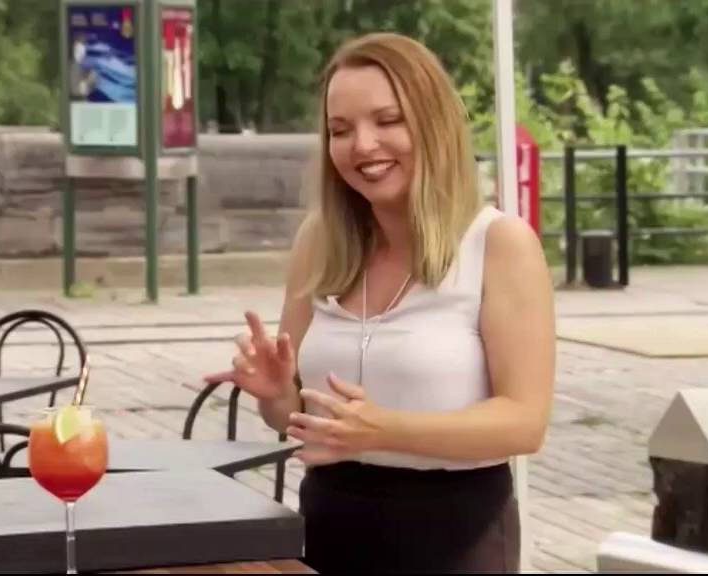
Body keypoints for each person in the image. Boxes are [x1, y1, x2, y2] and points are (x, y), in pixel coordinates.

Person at [204, 32, 555, 574]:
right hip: (329, 524)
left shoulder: (500, 244)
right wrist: (276, 395)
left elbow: (524, 423)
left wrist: (384, 429)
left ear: (433, 124)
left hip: (454, 536)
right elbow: (297, 418)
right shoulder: (319, 241)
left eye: (387, 121)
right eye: (340, 129)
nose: (362, 146)